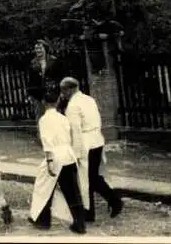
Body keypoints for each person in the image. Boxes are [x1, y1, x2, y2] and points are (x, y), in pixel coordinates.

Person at [60, 77, 123, 222]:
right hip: (97, 140)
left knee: (86, 179)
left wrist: (75, 153)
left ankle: (99, 208)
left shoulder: (72, 106)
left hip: (85, 143)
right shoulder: (89, 99)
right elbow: (98, 120)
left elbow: (75, 131)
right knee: (93, 177)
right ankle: (104, 206)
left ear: (69, 89)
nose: (62, 94)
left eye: (63, 90)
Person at [28, 89, 87, 234]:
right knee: (73, 191)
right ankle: (80, 224)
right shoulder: (63, 118)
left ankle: (43, 220)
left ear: (43, 102)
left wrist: (49, 160)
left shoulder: (44, 120)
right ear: (58, 102)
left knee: (43, 188)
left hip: (55, 156)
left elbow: (47, 141)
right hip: (68, 155)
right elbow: (70, 136)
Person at [26, 39, 63, 123]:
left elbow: (59, 76)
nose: (38, 50)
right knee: (41, 119)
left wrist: (59, 91)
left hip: (53, 94)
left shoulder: (54, 61)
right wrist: (31, 94)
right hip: (38, 96)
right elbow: (30, 80)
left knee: (55, 117)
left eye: (40, 48)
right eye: (36, 48)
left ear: (45, 48)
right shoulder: (32, 63)